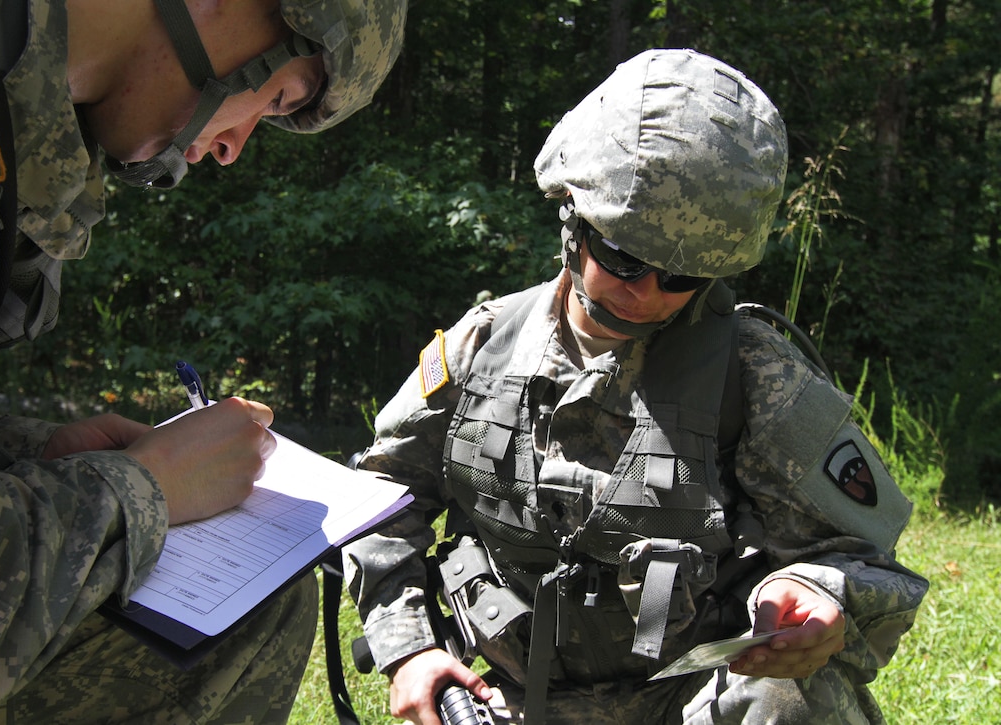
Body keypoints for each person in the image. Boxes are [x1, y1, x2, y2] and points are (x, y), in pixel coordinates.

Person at [342, 49, 928, 725]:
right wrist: (410, 648)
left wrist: (814, 590)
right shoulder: (482, 349)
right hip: (509, 704)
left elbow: (864, 560)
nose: (646, 292)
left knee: (791, 699)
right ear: (575, 220)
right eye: (622, 255)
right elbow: (378, 498)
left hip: (694, 700)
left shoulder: (752, 376)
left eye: (681, 277)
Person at [0, 0, 406, 721]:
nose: (234, 146)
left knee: (257, 609)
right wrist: (140, 489)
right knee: (249, 625)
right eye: (278, 96)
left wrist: (28, 451)